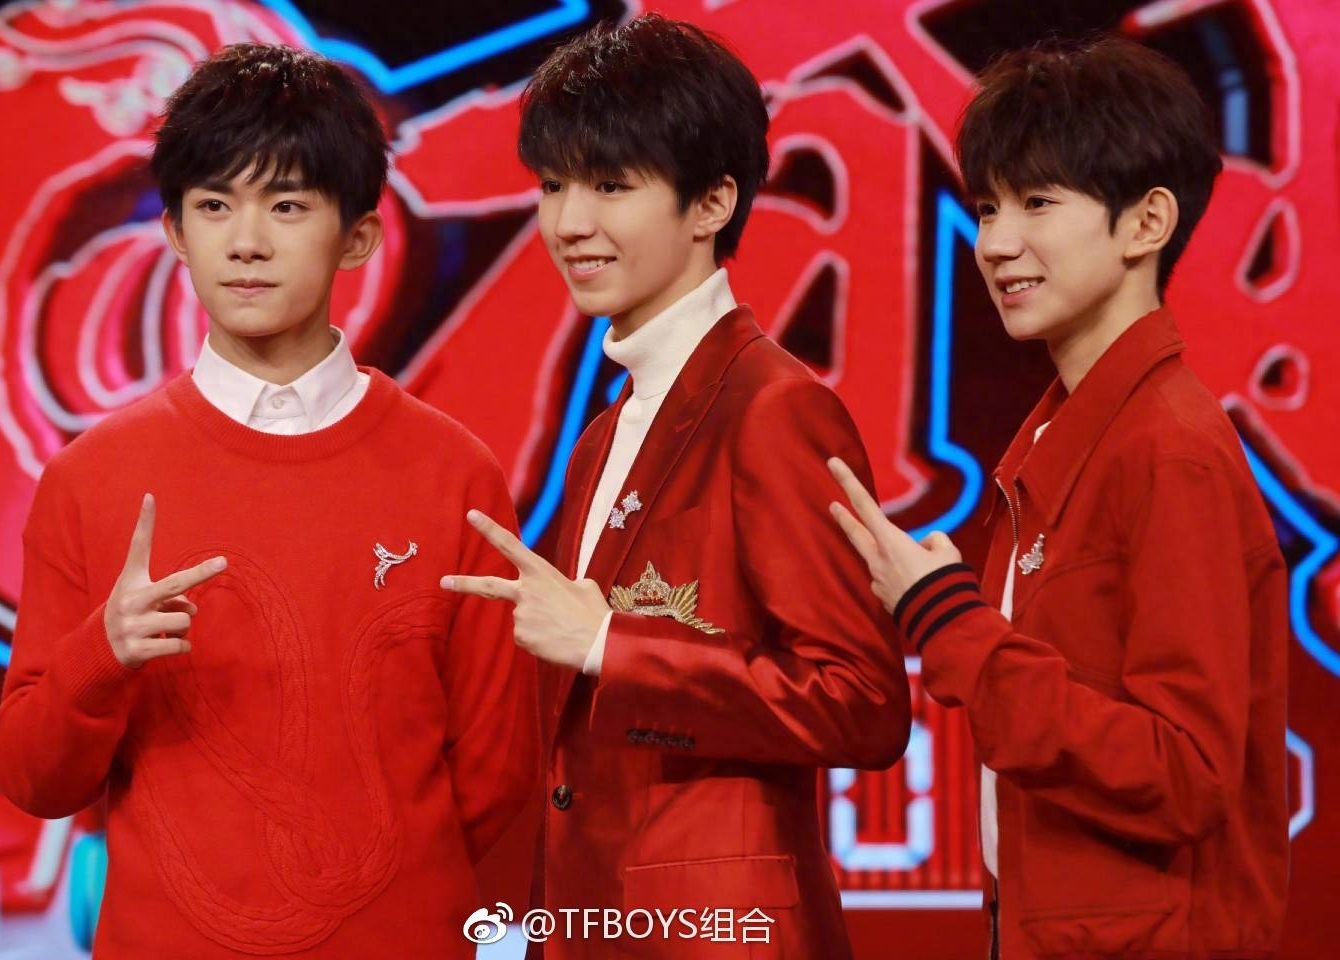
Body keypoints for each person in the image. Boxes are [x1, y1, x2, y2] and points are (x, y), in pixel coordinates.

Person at [0, 43, 537, 958]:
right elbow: (30, 777)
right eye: (214, 206)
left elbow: (494, 774)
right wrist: (101, 656)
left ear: (358, 236)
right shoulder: (92, 478)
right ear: (175, 232)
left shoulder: (455, 476)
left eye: (286, 206)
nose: (246, 242)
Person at [441, 14, 910, 958]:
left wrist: (610, 645)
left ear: (712, 203)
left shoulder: (773, 408)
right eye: (553, 185)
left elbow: (860, 700)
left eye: (611, 185)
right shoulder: (607, 433)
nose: (569, 223)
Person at [828, 36, 1288, 960]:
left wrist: (951, 624)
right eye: (987, 207)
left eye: (1038, 202)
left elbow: (1183, 772)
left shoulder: (1168, 450)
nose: (997, 243)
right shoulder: (1064, 436)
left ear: (1146, 222)